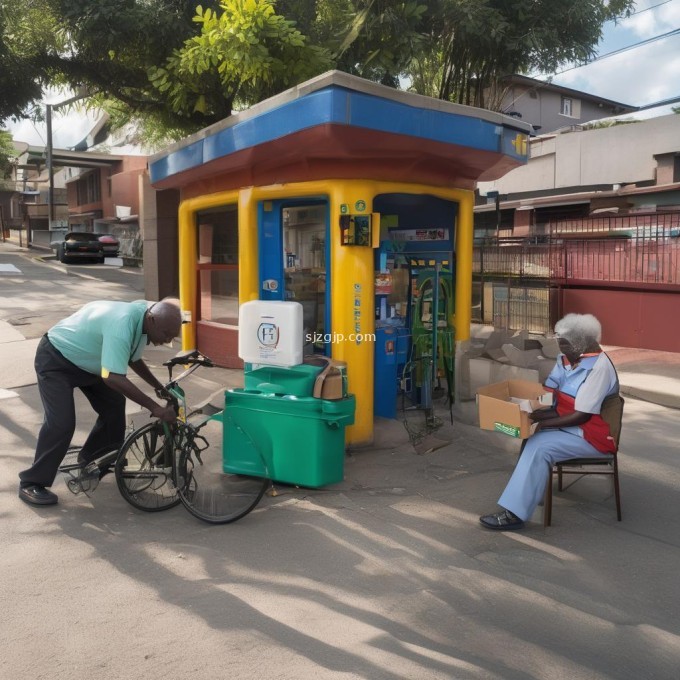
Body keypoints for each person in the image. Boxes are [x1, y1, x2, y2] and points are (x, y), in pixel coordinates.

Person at [18, 298, 183, 507]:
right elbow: (113, 377)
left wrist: (159, 387)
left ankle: (92, 461)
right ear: (151, 320)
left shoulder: (146, 317)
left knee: (114, 405)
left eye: (171, 336)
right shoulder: (123, 323)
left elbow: (131, 357)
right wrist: (155, 408)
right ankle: (31, 481)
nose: (166, 340)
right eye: (165, 334)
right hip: (56, 358)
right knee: (61, 423)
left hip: (90, 363)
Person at [479, 313, 619, 530]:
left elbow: (582, 415)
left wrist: (543, 422)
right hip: (569, 425)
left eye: (564, 345)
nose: (561, 350)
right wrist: (532, 408)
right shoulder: (566, 360)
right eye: (559, 344)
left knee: (540, 446)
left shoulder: (599, 368)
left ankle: (515, 513)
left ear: (580, 343)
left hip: (591, 435)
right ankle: (529, 494)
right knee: (530, 437)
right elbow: (550, 394)